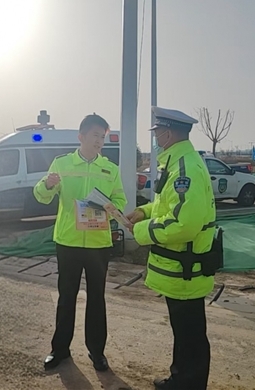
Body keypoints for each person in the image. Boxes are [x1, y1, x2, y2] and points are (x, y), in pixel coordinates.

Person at [127, 107, 218, 390]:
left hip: (184, 270)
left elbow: (183, 224)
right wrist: (144, 212)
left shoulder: (184, 168)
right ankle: (180, 379)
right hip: (181, 269)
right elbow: (167, 206)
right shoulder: (179, 162)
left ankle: (187, 384)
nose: (156, 139)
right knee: (186, 333)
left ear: (167, 134)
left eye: (157, 133)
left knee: (190, 335)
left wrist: (141, 231)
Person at [33, 114, 127, 372]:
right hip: (69, 242)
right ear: (81, 136)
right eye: (95, 135)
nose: (99, 141)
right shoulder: (62, 163)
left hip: (98, 243)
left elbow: (120, 200)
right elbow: (42, 196)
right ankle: (60, 349)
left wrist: (109, 209)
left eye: (102, 137)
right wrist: (47, 184)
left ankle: (97, 352)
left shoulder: (110, 169)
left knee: (97, 298)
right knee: (67, 296)